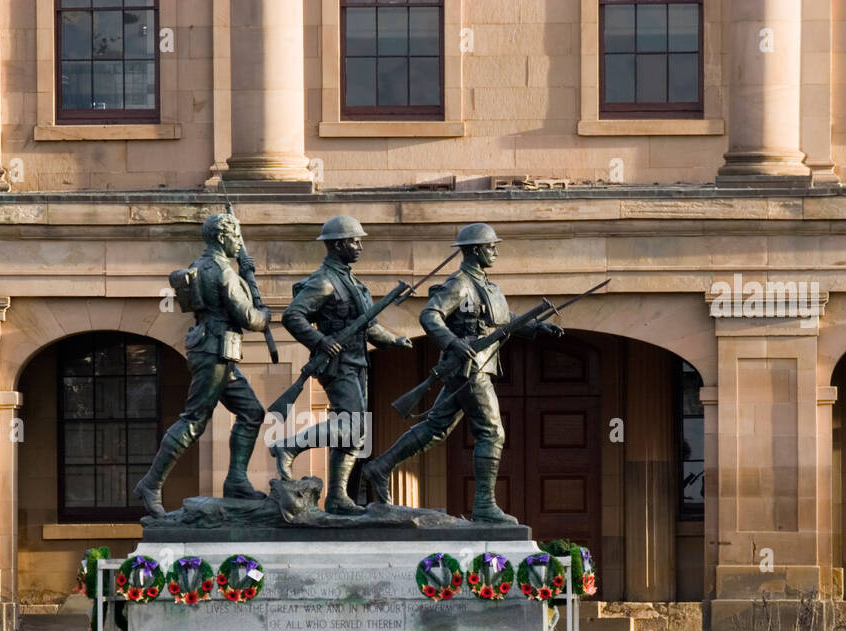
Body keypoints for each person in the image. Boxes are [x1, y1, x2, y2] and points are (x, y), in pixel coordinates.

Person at [361, 223, 564, 524]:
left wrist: (536, 326)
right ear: (476, 250)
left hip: (478, 364)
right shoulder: (459, 283)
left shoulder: (486, 285)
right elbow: (430, 315)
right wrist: (453, 343)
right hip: (470, 368)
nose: (495, 252)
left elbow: (501, 319)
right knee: (492, 432)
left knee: (437, 427)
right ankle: (484, 505)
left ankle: (381, 466)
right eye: (491, 247)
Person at [268, 216, 412, 514]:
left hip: (358, 363)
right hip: (337, 363)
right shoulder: (323, 281)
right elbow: (293, 316)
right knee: (353, 425)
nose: (360, 246)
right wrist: (320, 341)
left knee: (356, 433)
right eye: (354, 241)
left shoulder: (355, 284)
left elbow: (368, 327)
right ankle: (289, 446)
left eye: (359, 241)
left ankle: (337, 497)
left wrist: (394, 341)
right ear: (337, 245)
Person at [134, 213, 271, 517]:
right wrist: (266, 315)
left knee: (251, 411)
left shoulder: (199, 265)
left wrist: (247, 275)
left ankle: (236, 480)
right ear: (222, 237)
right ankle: (151, 484)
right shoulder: (222, 272)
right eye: (236, 237)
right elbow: (248, 318)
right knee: (194, 419)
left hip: (217, 352)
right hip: (215, 352)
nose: (239, 243)